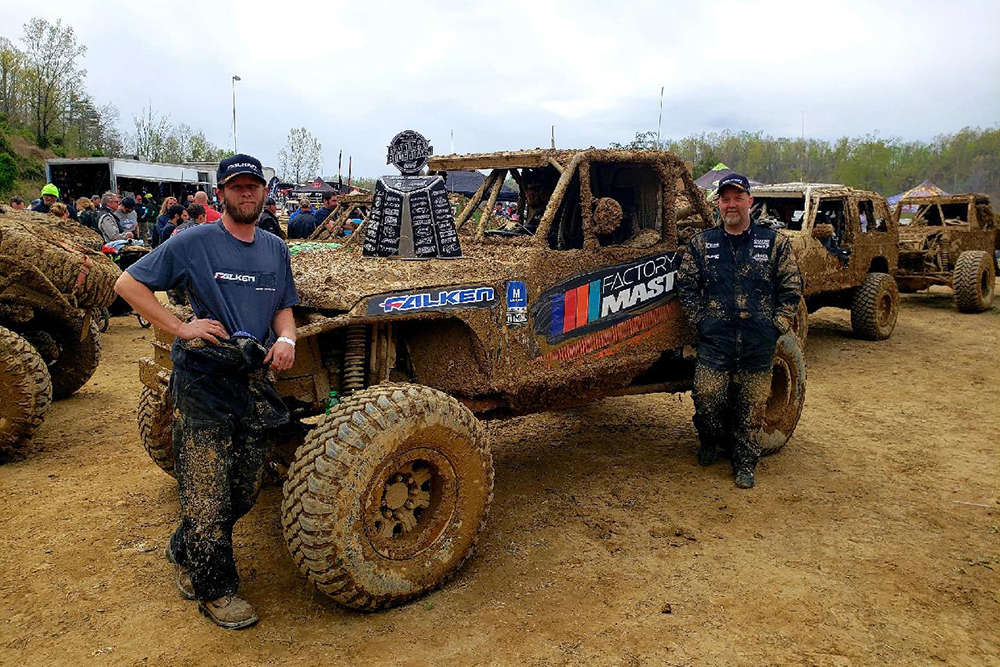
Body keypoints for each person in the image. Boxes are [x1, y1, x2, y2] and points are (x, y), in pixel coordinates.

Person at [114, 153, 298, 630]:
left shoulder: (275, 249)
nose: (246, 193)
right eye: (237, 186)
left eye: (253, 186)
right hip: (202, 379)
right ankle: (217, 590)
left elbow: (283, 306)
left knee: (244, 488)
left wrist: (287, 338)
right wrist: (180, 327)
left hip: (250, 379)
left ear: (263, 192)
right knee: (207, 490)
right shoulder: (194, 242)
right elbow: (127, 282)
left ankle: (186, 548)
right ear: (221, 194)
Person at [677, 173, 802, 489]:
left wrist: (777, 326)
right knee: (707, 399)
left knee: (751, 407)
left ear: (750, 201)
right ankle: (711, 440)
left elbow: (791, 288)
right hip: (715, 341)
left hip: (757, 343)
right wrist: (701, 322)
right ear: (718, 204)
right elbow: (686, 286)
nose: (731, 204)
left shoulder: (774, 244)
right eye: (725, 199)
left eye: (737, 198)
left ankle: (745, 463)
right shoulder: (703, 244)